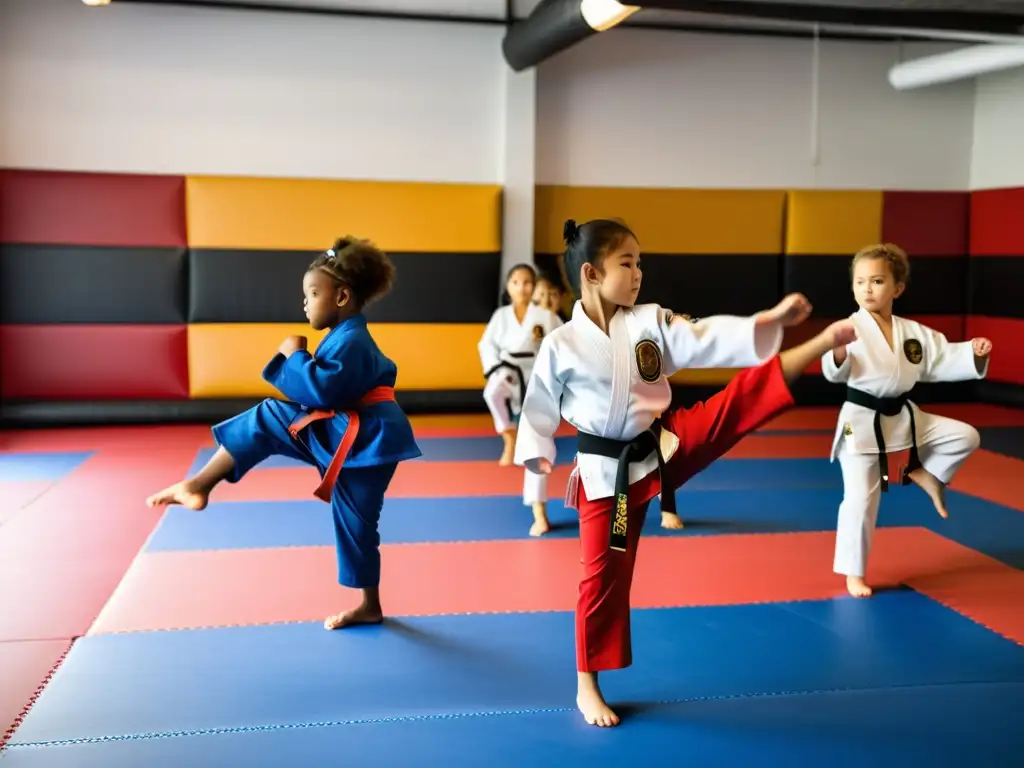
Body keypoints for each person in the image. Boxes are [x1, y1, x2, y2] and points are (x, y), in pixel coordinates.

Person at [514, 217, 858, 728]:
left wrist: (767, 321)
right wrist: (536, 451)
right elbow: (538, 406)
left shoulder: (650, 320)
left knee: (732, 405)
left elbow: (703, 337)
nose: (638, 274)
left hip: (663, 444)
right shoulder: (561, 344)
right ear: (591, 272)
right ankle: (588, 684)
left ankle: (812, 346)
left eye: (640, 263)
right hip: (608, 475)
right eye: (626, 263)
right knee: (602, 577)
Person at [145, 236, 422, 630]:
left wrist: (295, 356)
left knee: (274, 420)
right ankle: (369, 605)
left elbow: (323, 390)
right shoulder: (345, 337)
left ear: (342, 297)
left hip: (363, 438)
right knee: (354, 520)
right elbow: (326, 392)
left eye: (313, 293)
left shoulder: (353, 341)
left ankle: (199, 483)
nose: (305, 303)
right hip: (363, 440)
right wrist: (303, 360)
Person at [822, 243, 991, 598]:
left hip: (903, 416)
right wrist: (837, 351)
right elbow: (834, 371)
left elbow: (942, 358)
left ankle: (928, 474)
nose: (867, 288)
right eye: (860, 281)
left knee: (965, 436)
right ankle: (854, 573)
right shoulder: (848, 328)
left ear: (897, 289)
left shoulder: (913, 332)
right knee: (860, 500)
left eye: (878, 281)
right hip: (861, 422)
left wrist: (971, 353)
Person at [479, 263, 563, 535]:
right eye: (516, 282)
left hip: (538, 379)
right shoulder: (501, 316)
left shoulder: (546, 317)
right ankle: (507, 435)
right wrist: (494, 368)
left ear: (534, 286)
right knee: (492, 392)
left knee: (537, 445)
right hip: (509, 372)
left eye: (528, 282)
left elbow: (565, 345)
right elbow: (486, 345)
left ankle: (539, 511)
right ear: (508, 287)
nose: (523, 287)